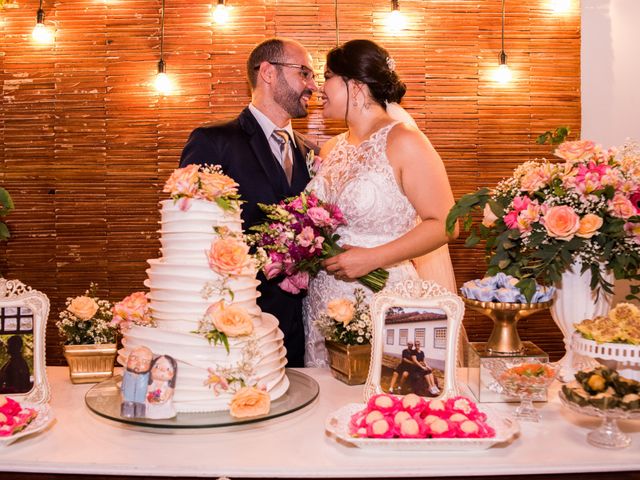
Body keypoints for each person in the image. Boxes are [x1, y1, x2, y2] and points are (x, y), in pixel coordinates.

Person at [303, 39, 459, 367]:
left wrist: (372, 258)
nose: (320, 87)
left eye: (328, 76)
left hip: (382, 296)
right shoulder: (332, 150)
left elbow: (446, 223)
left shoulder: (404, 141)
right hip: (324, 302)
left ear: (355, 86)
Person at [180, 38, 319, 368]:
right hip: (236, 327)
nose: (313, 85)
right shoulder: (213, 141)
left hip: (301, 327)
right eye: (304, 73)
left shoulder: (311, 152)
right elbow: (190, 232)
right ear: (268, 73)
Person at [121, 346, 153, 418]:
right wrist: (122, 394)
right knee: (127, 416)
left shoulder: (149, 377)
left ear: (150, 365)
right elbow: (123, 386)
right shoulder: (126, 374)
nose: (138, 364)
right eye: (134, 358)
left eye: (144, 361)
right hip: (127, 400)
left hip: (142, 401)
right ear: (127, 360)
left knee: (140, 416)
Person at [145, 355, 178, 419]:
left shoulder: (168, 387)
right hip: (151, 409)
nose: (162, 370)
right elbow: (148, 393)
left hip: (165, 410)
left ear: (173, 373)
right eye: (157, 366)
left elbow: (166, 397)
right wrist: (150, 397)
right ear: (151, 369)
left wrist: (161, 398)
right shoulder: (151, 384)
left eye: (168, 369)